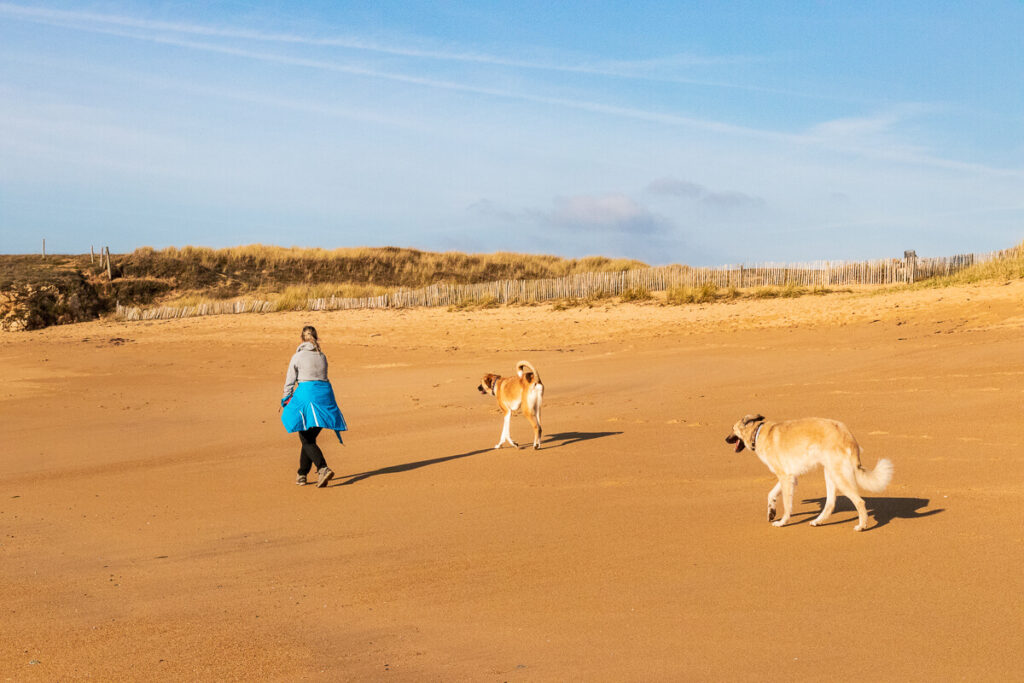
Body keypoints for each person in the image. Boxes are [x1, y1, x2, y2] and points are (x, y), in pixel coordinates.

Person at [280, 325, 347, 487]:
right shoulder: (321, 355)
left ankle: (323, 467)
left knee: (306, 438)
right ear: (316, 338)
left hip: (308, 397)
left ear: (301, 339)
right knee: (309, 438)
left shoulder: (297, 356)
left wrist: (285, 400)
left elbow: (290, 381)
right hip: (326, 397)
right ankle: (302, 473)